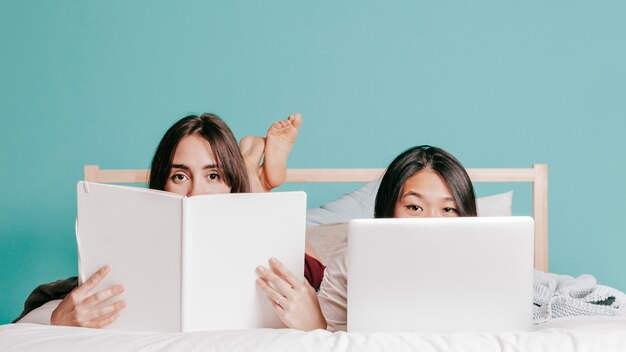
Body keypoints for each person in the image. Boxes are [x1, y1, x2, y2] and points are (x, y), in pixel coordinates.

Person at [14, 112, 326, 327]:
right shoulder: (130, 248)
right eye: (179, 175)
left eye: (213, 174)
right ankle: (253, 177)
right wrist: (59, 319)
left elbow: (329, 303)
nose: (194, 193)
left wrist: (318, 324)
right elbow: (31, 318)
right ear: (161, 183)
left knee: (304, 273)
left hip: (252, 238)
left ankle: (257, 185)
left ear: (230, 184)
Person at [254, 145, 477, 331]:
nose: (430, 222)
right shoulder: (357, 253)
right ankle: (256, 185)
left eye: (448, 209)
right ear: (388, 210)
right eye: (414, 207)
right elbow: (327, 335)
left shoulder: (483, 259)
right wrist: (316, 329)